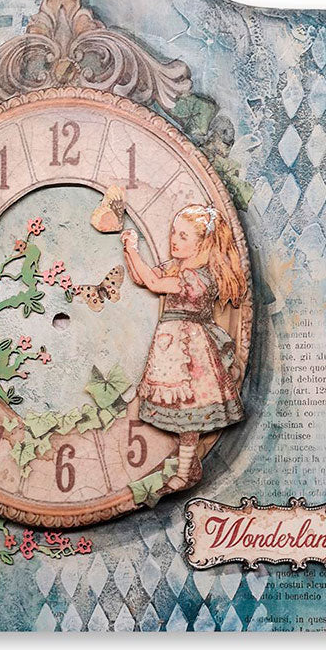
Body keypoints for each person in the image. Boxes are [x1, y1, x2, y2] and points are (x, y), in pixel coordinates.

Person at [121, 204, 247, 491]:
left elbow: (154, 283)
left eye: (183, 236)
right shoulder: (178, 267)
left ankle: (186, 471)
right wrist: (129, 249)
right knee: (181, 411)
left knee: (190, 410)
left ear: (201, 244)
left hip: (191, 350)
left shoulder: (198, 277)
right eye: (173, 233)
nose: (174, 240)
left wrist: (134, 249)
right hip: (172, 347)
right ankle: (188, 468)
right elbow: (142, 278)